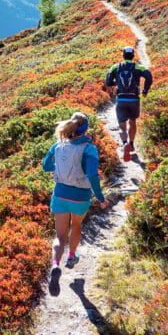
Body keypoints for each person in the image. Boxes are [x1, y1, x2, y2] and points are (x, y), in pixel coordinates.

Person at [42, 111, 109, 294]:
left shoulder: (58, 145)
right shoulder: (89, 149)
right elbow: (93, 176)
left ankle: (56, 265)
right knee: (76, 225)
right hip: (80, 197)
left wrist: (58, 170)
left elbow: (46, 166)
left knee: (59, 236)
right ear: (85, 129)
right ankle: (71, 257)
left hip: (61, 194)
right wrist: (101, 198)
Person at [105, 45, 153, 162]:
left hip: (121, 100)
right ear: (133, 56)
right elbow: (149, 77)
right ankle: (131, 144)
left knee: (122, 126)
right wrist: (145, 90)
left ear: (123, 55)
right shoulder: (138, 67)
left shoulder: (115, 67)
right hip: (134, 100)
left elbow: (108, 82)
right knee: (133, 122)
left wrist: (114, 85)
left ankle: (125, 143)